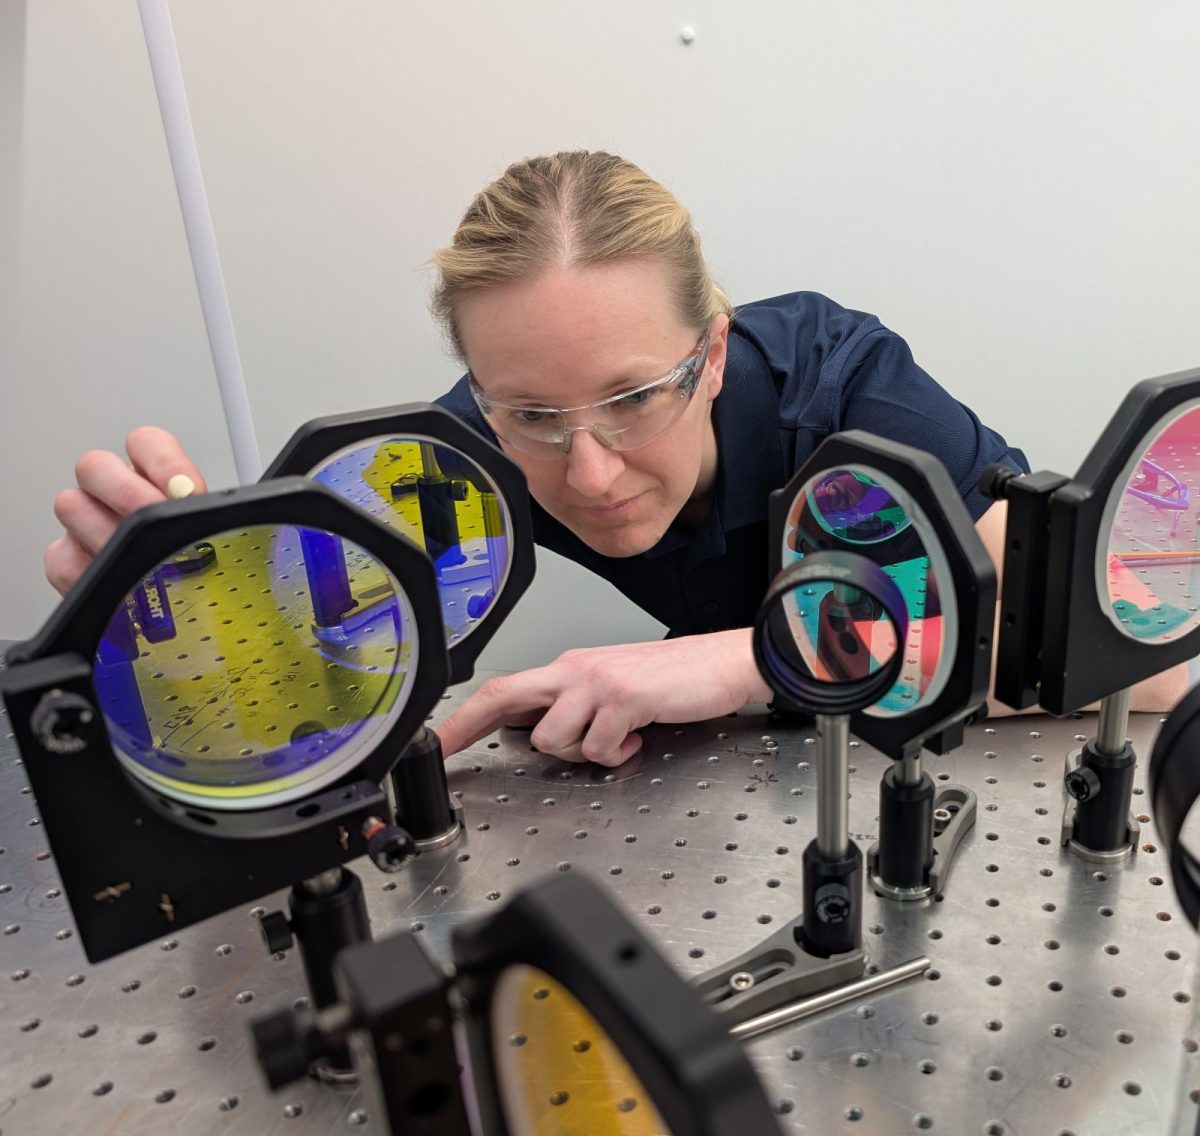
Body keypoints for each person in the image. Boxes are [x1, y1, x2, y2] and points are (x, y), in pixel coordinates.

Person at [42, 150, 1184, 766]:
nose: (587, 475)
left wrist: (749, 663)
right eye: (531, 415)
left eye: (635, 399)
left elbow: (1141, 652)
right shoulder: (465, 459)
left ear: (716, 353)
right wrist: (193, 631)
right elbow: (329, 677)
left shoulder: (849, 392)